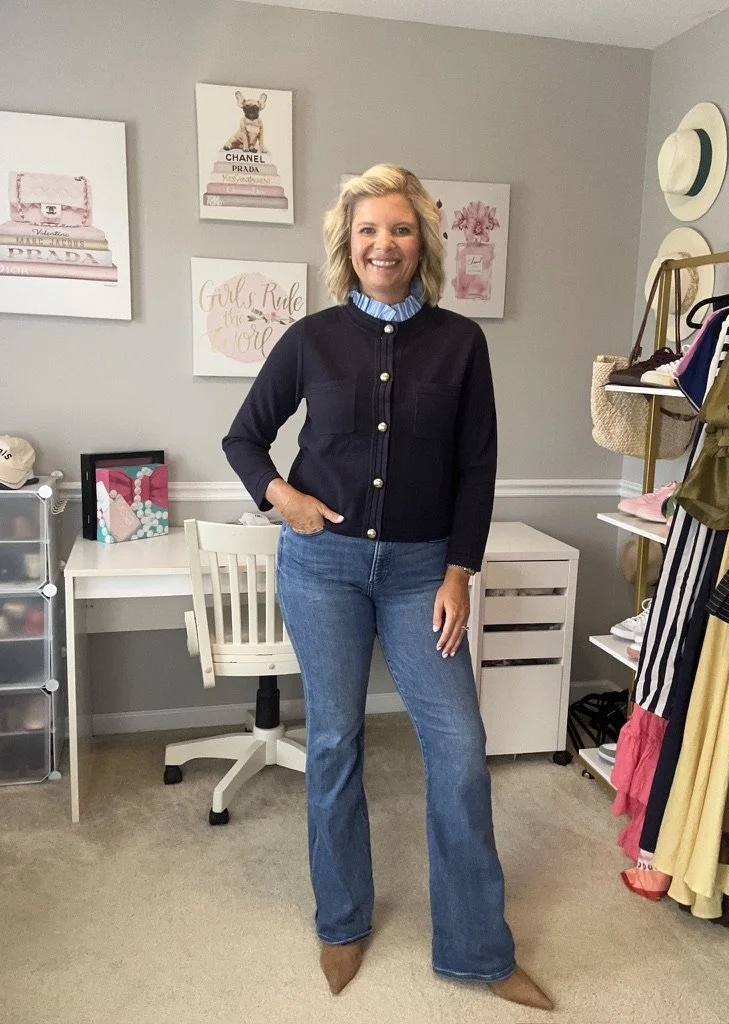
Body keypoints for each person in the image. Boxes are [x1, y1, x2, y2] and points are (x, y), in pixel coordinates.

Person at [222, 164, 553, 1011]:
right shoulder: (311, 339)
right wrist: (284, 498)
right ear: (348, 243)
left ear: (422, 243)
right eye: (368, 229)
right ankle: (342, 921)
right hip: (323, 569)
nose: (384, 244)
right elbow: (244, 439)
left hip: (421, 573)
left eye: (400, 229)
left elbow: (477, 466)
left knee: (459, 747)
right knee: (335, 742)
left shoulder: (460, 343)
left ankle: (478, 949)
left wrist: (459, 572)